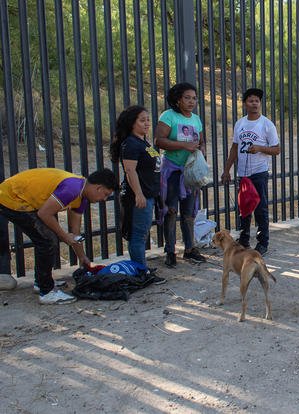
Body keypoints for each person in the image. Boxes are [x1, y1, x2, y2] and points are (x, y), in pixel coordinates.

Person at [0, 168, 116, 304]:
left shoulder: (82, 196)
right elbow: (44, 214)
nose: (104, 199)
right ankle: (46, 292)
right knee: (47, 240)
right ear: (98, 188)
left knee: (45, 239)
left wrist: (82, 257)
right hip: (10, 197)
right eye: (106, 194)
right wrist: (64, 236)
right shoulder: (72, 189)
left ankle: (42, 282)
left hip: (21, 198)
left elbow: (75, 231)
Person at [110, 106, 166, 284]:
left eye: (148, 119)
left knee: (142, 234)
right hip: (139, 197)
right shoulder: (131, 144)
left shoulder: (143, 141)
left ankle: (140, 268)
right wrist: (139, 194)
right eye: (142, 120)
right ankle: (141, 273)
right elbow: (129, 170)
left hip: (150, 194)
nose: (147, 123)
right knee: (138, 235)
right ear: (132, 123)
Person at [221, 88, 280, 256]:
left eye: (257, 101)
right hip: (243, 173)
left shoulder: (267, 124)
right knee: (244, 207)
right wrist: (227, 170)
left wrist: (260, 148)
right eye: (251, 101)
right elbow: (234, 148)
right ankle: (244, 238)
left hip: (259, 172)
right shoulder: (240, 124)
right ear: (245, 103)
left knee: (260, 208)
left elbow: (277, 149)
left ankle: (263, 242)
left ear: (260, 104)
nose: (254, 104)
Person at [154, 82, 207, 267]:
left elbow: (201, 141)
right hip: (173, 171)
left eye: (194, 98)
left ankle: (190, 249)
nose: (191, 101)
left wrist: (200, 154)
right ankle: (170, 251)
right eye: (187, 97)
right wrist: (184, 145)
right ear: (178, 99)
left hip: (190, 173)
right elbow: (159, 140)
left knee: (189, 212)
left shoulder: (196, 119)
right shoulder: (168, 116)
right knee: (171, 211)